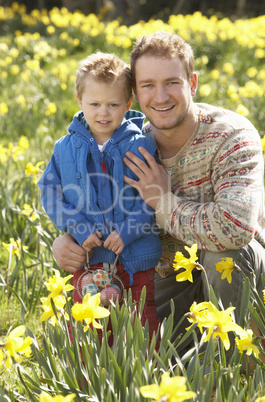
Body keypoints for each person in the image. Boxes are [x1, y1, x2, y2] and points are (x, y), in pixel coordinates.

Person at [51, 33, 265, 355]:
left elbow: (233, 230)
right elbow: (93, 205)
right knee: (136, 355)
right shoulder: (127, 144)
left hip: (242, 274)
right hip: (168, 273)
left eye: (172, 82)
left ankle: (227, 371)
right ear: (134, 94)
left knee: (225, 256)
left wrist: (162, 200)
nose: (161, 96)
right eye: (148, 85)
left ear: (192, 83)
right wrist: (67, 239)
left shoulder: (231, 135)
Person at [38, 51, 162, 342]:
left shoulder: (142, 145)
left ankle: (145, 377)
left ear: (127, 104)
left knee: (142, 324)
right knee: (88, 329)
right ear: (80, 102)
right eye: (94, 104)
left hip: (135, 259)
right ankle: (88, 382)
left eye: (113, 104)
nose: (103, 113)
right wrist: (79, 229)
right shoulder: (64, 148)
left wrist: (127, 232)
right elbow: (50, 193)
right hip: (89, 259)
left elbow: (153, 197)